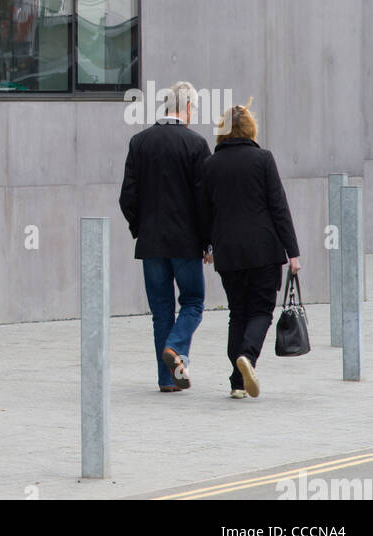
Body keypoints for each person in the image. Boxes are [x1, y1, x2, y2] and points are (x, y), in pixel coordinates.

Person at [201, 100, 301, 399]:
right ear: (250, 129)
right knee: (261, 310)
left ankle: (236, 382)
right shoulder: (263, 159)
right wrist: (293, 252)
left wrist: (206, 246)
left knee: (238, 313)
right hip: (263, 249)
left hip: (228, 252)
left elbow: (205, 212)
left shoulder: (210, 165)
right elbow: (278, 207)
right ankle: (247, 357)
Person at [119, 82, 212, 393]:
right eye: (194, 109)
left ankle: (166, 379)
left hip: (151, 243)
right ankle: (176, 349)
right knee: (194, 302)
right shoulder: (196, 144)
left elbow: (127, 197)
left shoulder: (139, 142)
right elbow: (205, 200)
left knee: (161, 310)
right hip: (186, 243)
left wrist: (139, 228)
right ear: (186, 108)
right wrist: (208, 240)